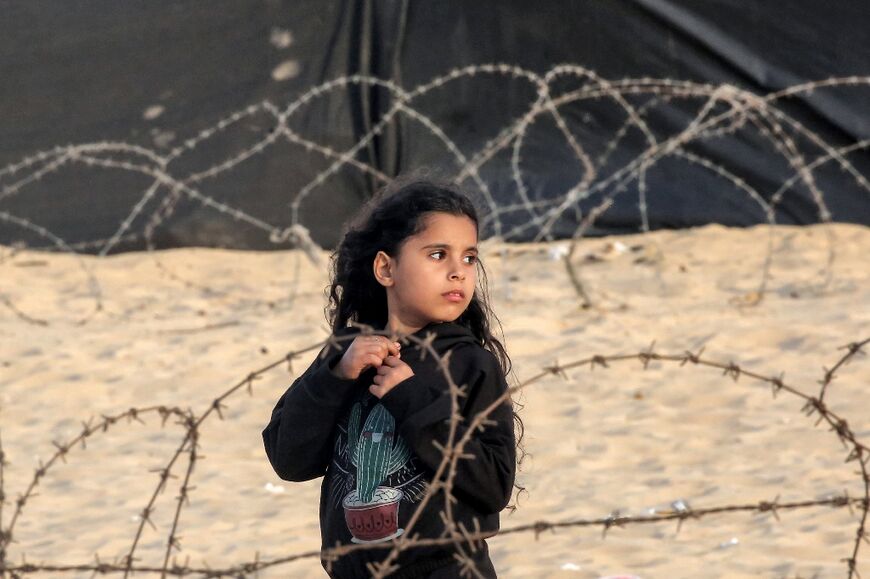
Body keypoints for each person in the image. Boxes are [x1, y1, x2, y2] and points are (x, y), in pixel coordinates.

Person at [262, 178, 526, 578]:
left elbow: (492, 485)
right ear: (386, 267)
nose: (459, 272)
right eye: (438, 255)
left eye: (470, 258)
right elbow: (289, 459)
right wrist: (335, 377)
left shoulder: (470, 365)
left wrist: (414, 402)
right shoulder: (346, 355)